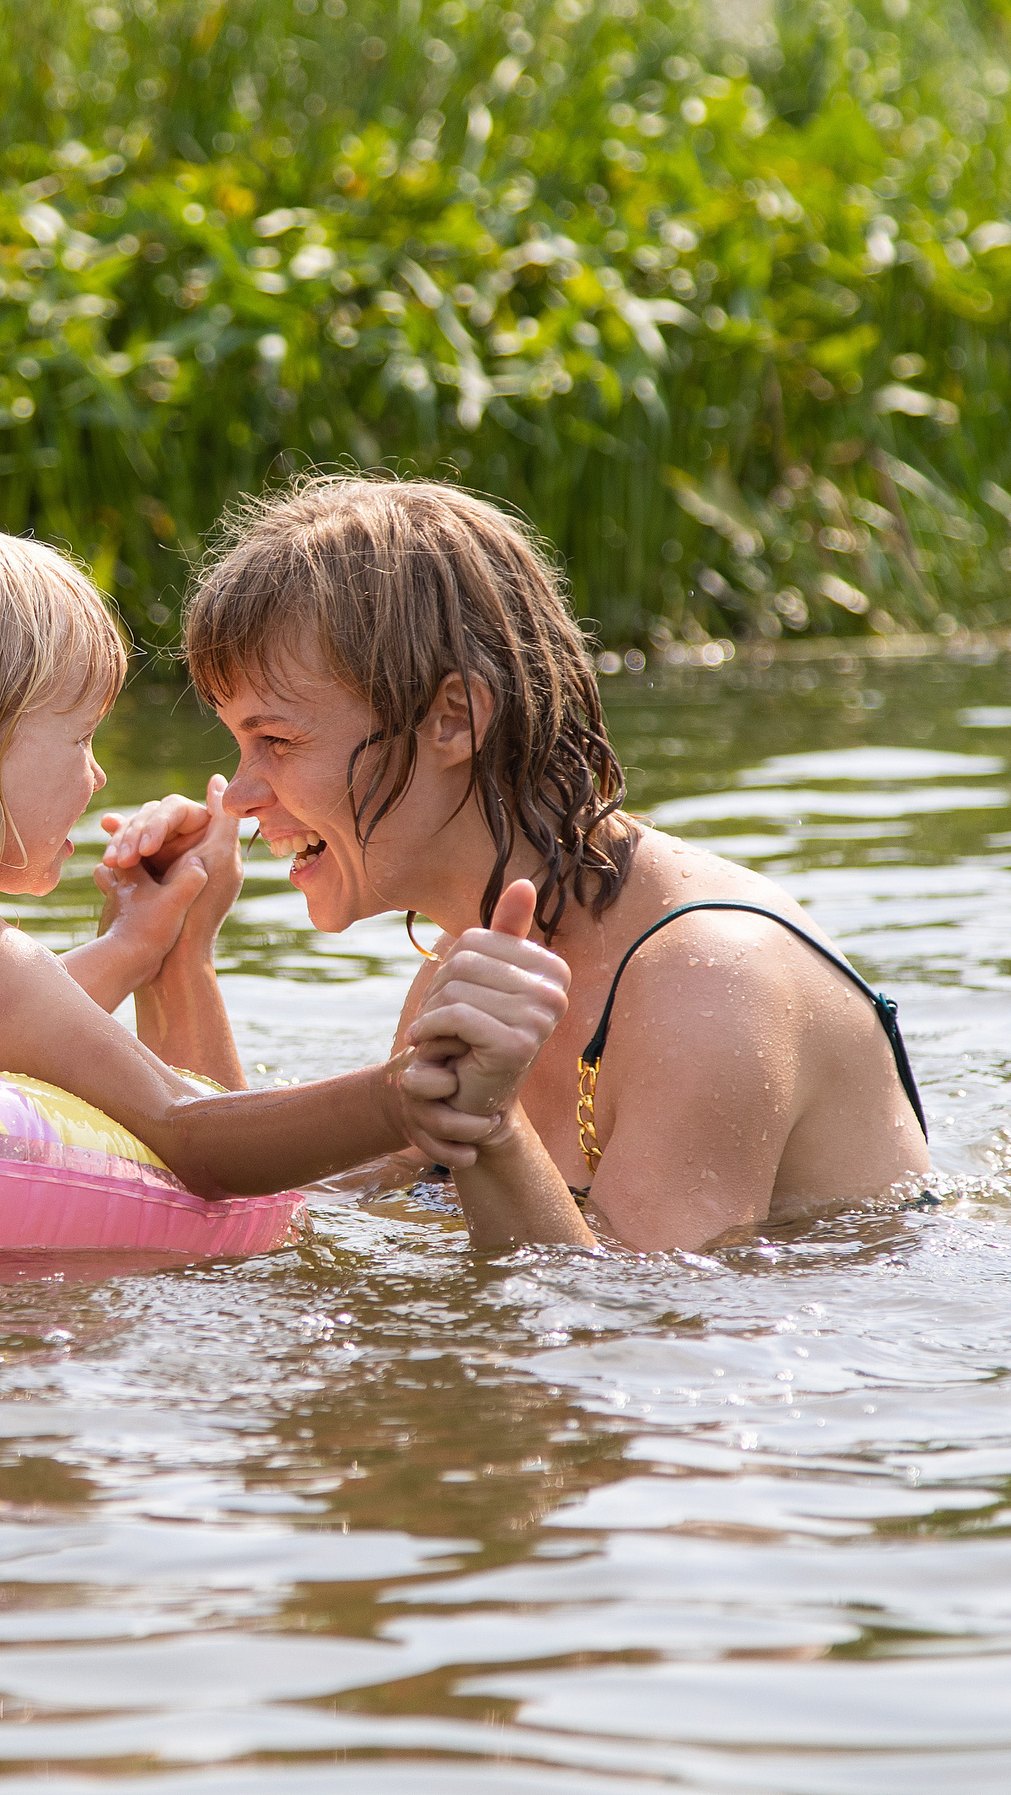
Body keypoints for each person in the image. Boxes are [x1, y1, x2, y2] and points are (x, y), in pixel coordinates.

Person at [99, 476, 934, 1254]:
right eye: (238, 744)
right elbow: (277, 1206)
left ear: (453, 718)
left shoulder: (707, 978)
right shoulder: (464, 966)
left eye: (275, 740)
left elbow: (636, 1340)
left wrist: (486, 1125)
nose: (238, 796)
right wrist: (175, 959)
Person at [0, 516, 580, 1234]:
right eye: (79, 741)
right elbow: (186, 1132)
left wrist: (142, 946)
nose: (97, 778)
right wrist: (397, 1101)